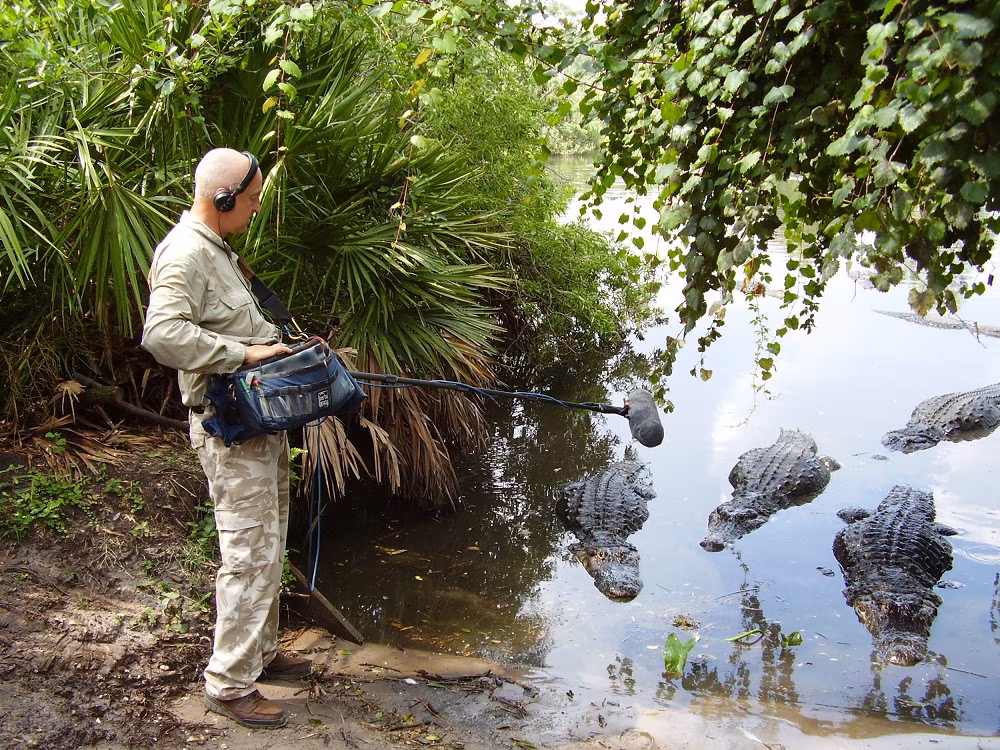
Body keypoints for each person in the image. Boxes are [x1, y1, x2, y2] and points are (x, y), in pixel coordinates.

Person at [142, 148, 309, 729]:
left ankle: (259, 654)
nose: (258, 209)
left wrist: (284, 349)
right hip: (228, 429)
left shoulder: (217, 252)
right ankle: (230, 684)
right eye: (255, 199)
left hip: (257, 423)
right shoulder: (186, 252)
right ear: (223, 198)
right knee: (247, 554)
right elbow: (163, 335)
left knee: (271, 541)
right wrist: (244, 353)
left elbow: (237, 323)